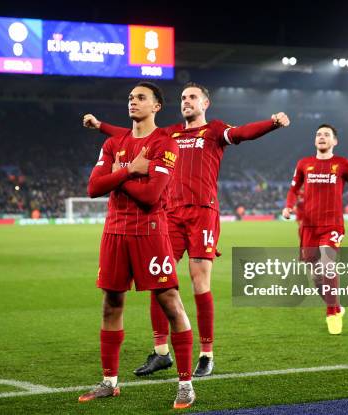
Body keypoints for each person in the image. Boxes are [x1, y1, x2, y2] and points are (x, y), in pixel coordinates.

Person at [83, 82, 290, 377]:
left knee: (198, 280)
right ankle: (160, 352)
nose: (186, 101)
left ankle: (206, 354)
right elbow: (130, 134)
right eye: (182, 98)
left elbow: (242, 133)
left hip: (202, 212)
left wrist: (271, 123)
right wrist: (100, 125)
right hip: (170, 214)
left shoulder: (215, 131)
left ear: (205, 103)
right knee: (160, 283)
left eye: (192, 97)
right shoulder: (170, 134)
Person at [79, 82, 195, 409]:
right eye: (130, 97)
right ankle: (109, 382)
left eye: (141, 97)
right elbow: (92, 188)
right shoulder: (114, 143)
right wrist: (131, 170)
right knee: (111, 303)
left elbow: (150, 197)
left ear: (157, 106)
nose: (133, 101)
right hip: (114, 231)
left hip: (150, 231)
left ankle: (185, 384)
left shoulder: (165, 143)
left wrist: (118, 177)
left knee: (170, 301)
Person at [282, 124, 348, 335]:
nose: (322, 137)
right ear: (314, 140)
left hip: (332, 225)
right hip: (308, 227)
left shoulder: (343, 164)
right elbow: (293, 188)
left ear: (334, 141)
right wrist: (288, 206)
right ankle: (336, 306)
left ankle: (331, 313)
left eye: (326, 135)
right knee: (316, 277)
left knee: (328, 265)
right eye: (318, 134)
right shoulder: (304, 164)